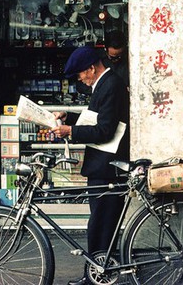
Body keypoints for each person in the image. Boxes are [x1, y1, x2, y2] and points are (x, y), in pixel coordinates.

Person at [50, 46, 130, 285]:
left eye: (80, 75)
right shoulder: (105, 85)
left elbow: (104, 130)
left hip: (108, 167)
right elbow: (97, 119)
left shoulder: (111, 85)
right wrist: (71, 119)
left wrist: (71, 131)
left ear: (91, 68)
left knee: (101, 224)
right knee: (99, 222)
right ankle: (97, 274)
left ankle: (96, 276)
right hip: (103, 166)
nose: (80, 80)